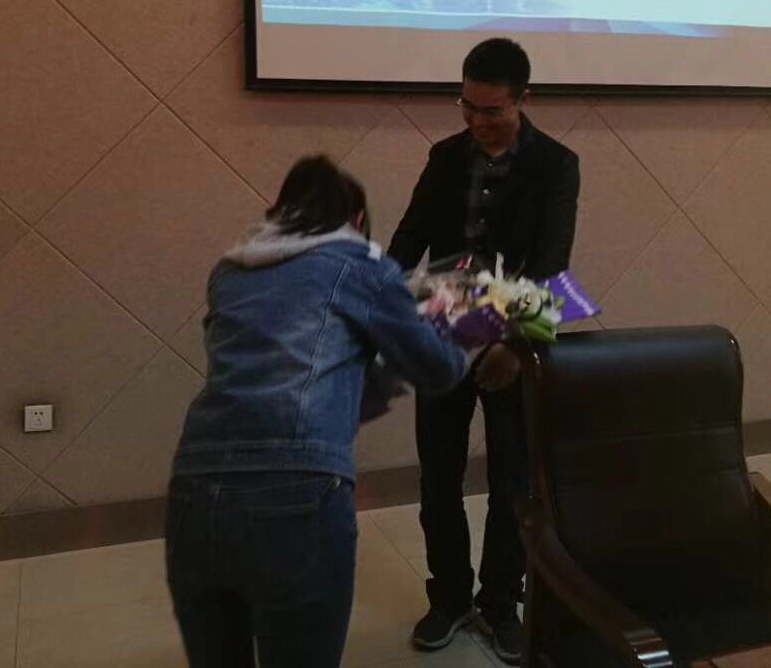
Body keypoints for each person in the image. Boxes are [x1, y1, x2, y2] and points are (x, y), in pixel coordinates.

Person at [167, 156, 469, 668]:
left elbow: (297, 374)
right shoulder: (360, 264)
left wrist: (376, 377)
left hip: (194, 489)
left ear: (280, 211)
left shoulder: (229, 271)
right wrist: (456, 321)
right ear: (355, 219)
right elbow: (437, 371)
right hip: (298, 490)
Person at [389, 38, 580, 664]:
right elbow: (410, 237)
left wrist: (516, 346)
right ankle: (448, 597)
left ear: (523, 99)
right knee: (438, 473)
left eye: (492, 111)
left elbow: (551, 263)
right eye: (467, 107)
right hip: (443, 335)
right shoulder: (445, 157)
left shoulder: (556, 165)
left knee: (513, 479)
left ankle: (501, 602)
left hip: (512, 340)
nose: (477, 121)